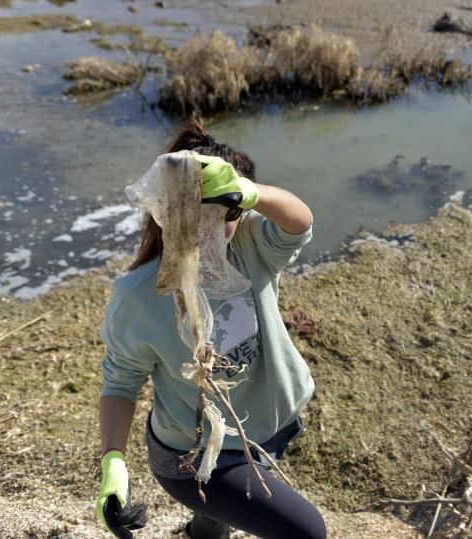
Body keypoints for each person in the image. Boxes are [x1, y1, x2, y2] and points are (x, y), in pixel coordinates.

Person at [95, 120, 327, 539]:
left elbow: (300, 222)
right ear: (166, 210)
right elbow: (120, 380)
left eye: (229, 212)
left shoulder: (252, 245)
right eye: (197, 212)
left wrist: (249, 192)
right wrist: (113, 461)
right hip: (194, 454)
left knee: (216, 523)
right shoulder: (138, 296)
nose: (213, 227)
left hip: (272, 427)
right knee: (306, 532)